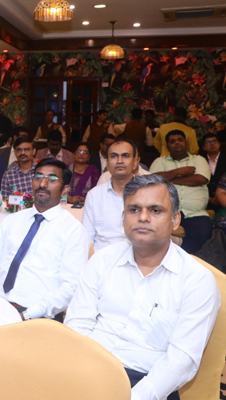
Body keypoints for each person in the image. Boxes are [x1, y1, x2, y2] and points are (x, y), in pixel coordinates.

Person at [65, 174, 220, 400]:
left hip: (148, 384)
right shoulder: (102, 261)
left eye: (155, 210)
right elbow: (77, 325)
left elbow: (181, 361)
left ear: (175, 220)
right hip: (89, 370)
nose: (143, 217)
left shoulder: (197, 280)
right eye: (134, 210)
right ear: (123, 218)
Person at [0, 158, 89, 321]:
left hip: (38, 316)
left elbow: (70, 287)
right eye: (38, 177)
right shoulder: (11, 221)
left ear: (64, 189)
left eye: (52, 179)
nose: (42, 184)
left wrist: (26, 315)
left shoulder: (73, 230)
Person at [150, 130, 212, 254]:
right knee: (151, 233)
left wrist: (169, 180)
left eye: (180, 140)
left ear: (186, 143)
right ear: (167, 146)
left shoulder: (198, 160)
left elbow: (201, 179)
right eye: (172, 141)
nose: (177, 143)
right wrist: (179, 171)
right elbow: (152, 180)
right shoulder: (160, 161)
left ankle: (178, 254)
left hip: (194, 212)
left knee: (204, 233)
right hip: (167, 211)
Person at [83, 138, 139, 252]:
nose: (119, 161)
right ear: (107, 163)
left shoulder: (147, 194)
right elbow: (87, 239)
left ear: (135, 162)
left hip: (138, 258)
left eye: (125, 156)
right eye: (114, 156)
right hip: (102, 259)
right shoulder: (94, 195)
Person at [202, 133, 226, 211]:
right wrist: (209, 198)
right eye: (208, 142)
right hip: (205, 201)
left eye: (214, 141)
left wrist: (221, 197)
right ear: (204, 147)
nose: (212, 144)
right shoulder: (199, 161)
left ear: (219, 144)